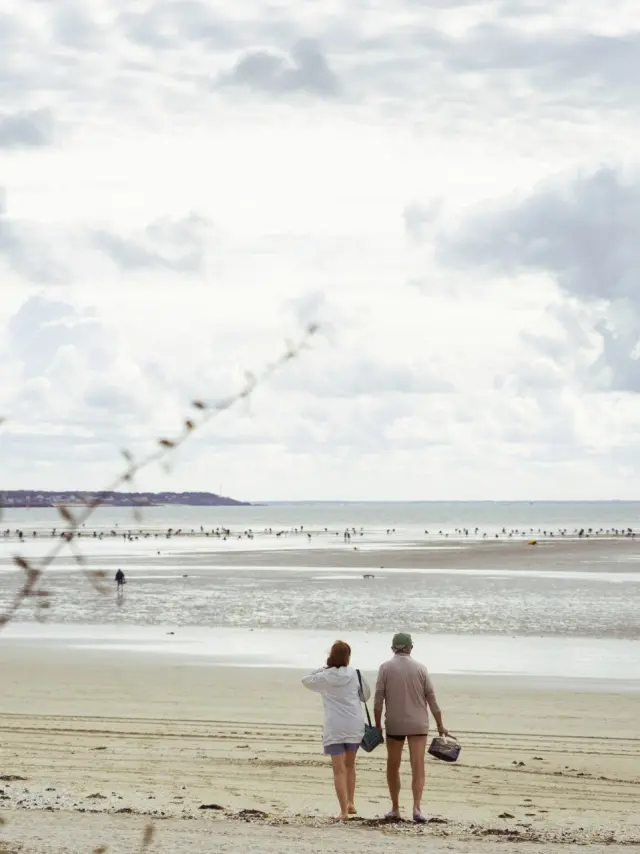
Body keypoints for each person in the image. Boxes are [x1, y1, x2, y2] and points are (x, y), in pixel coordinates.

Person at [374, 632, 448, 823]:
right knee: (418, 765)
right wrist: (440, 725)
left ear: (393, 648)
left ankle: (395, 808)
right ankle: (417, 808)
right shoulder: (421, 668)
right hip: (418, 724)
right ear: (410, 648)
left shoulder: (385, 668)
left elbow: (378, 701)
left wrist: (377, 725)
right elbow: (432, 699)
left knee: (393, 765)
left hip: (395, 724)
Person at [302, 640, 371, 821]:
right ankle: (351, 802)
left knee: (338, 769)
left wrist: (324, 668)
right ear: (348, 657)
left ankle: (343, 811)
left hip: (334, 726)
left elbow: (306, 680)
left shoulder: (325, 676)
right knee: (350, 765)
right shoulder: (355, 674)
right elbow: (366, 696)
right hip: (354, 724)